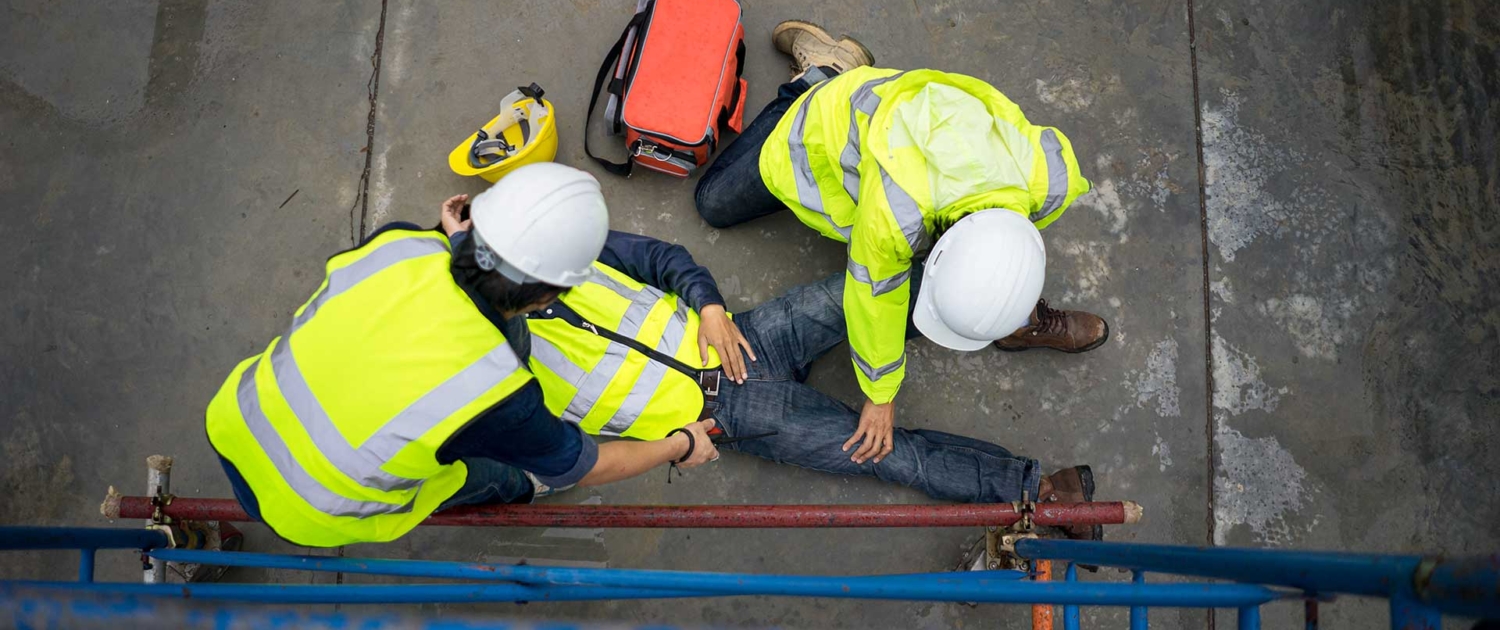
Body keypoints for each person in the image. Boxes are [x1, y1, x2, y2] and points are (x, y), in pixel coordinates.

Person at [462, 221, 1103, 542]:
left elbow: (659, 259)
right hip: (732, 414)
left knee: (874, 293)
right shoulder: (495, 385)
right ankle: (1039, 492)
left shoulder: (550, 248)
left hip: (746, 335)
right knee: (883, 450)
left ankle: (1008, 320)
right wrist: (679, 446)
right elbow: (558, 465)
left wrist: (708, 305)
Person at [204, 163, 718, 548]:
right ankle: (523, 486)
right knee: (489, 472)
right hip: (312, 506)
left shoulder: (399, 243)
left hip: (237, 415)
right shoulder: (498, 391)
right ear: (545, 298)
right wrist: (679, 444)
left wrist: (457, 243)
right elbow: (588, 466)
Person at [693, 21, 1111, 468]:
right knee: (713, 203)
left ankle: (1017, 320)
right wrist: (880, 395)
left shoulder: (1050, 178)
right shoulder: (894, 215)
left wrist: (1006, 294)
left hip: (904, 133)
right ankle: (824, 72)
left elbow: (1011, 247)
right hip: (822, 128)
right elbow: (874, 300)